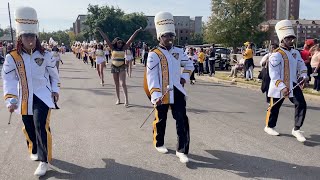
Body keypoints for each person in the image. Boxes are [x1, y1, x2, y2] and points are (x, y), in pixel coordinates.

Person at [2, 6, 60, 176]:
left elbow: (54, 75)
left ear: (36, 37)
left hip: (42, 95)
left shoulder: (46, 55)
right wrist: (10, 99)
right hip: (24, 97)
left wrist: (55, 89)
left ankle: (44, 160)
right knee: (28, 127)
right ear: (21, 37)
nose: (30, 39)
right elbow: (8, 79)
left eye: (33, 35)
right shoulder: (12, 57)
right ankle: (34, 148)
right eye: (27, 36)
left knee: (40, 124)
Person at [144, 12, 194, 163]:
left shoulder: (179, 51)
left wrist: (184, 77)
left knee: (182, 120)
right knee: (161, 119)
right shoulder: (153, 54)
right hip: (161, 93)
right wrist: (155, 95)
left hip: (177, 90)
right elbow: (151, 76)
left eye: (171, 35)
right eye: (166, 35)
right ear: (159, 37)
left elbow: (190, 64)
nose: (170, 38)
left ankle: (182, 150)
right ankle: (159, 142)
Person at [264, 20, 308, 143]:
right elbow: (274, 74)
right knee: (274, 107)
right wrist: (282, 87)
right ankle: (269, 126)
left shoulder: (295, 53)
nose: (291, 41)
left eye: (292, 38)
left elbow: (301, 65)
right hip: (279, 85)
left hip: (293, 83)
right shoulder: (276, 55)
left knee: (301, 104)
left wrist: (304, 75)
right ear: (282, 40)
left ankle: (297, 129)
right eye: (288, 38)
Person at [97, 26, 142, 107]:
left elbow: (131, 39)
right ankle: (118, 99)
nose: (120, 44)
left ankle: (126, 100)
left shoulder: (124, 48)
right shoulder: (112, 47)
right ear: (116, 43)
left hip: (121, 67)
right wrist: (100, 31)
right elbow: (106, 38)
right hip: (114, 66)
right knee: (116, 84)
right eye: (119, 42)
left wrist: (137, 31)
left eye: (121, 42)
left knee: (123, 83)